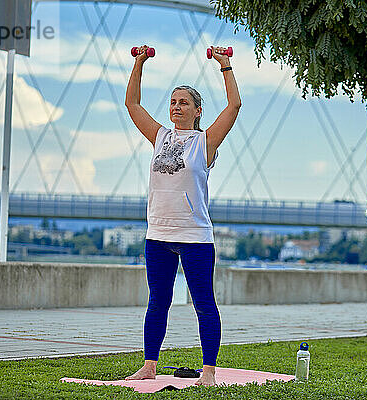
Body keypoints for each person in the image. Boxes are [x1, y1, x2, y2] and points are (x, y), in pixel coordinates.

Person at [123, 45, 241, 386]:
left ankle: (208, 372)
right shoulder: (160, 136)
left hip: (194, 237)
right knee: (158, 301)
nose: (176, 107)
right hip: (158, 234)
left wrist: (225, 66)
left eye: (183, 102)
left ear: (197, 110)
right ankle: (149, 365)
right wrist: (139, 63)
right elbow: (132, 104)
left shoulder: (204, 142)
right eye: (173, 102)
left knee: (203, 303)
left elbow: (234, 106)